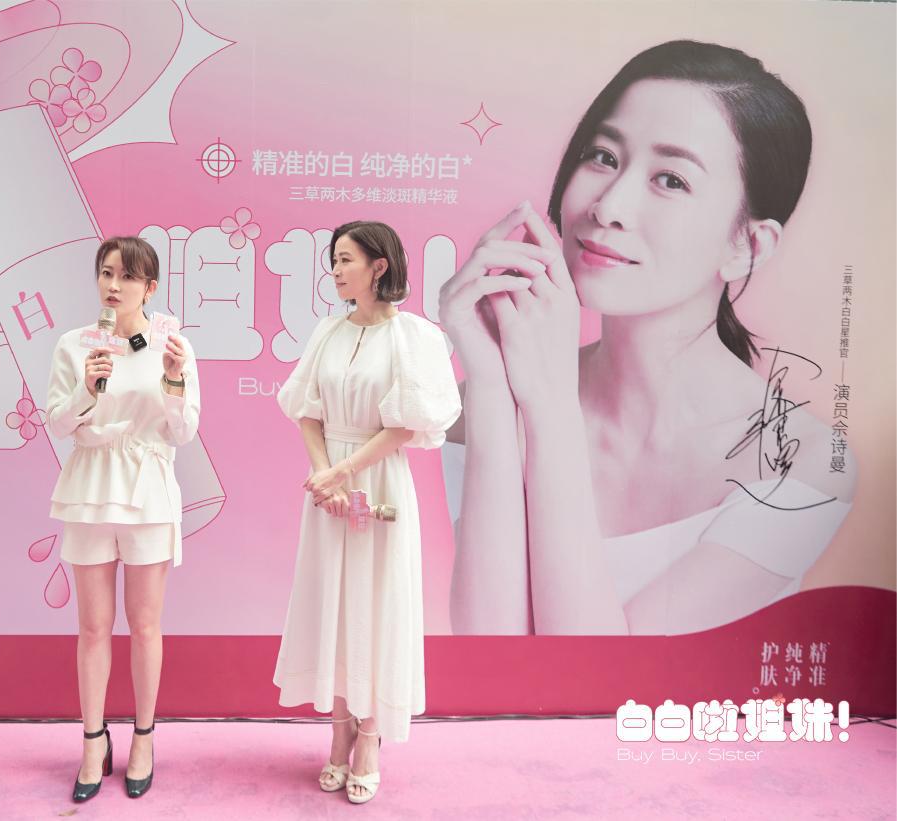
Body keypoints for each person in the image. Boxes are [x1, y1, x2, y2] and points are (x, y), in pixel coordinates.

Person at [442, 40, 854, 636]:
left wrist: (550, 409)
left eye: (670, 179)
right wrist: (487, 379)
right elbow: (489, 655)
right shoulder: (482, 406)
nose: (609, 206)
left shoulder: (801, 462)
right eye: (603, 156)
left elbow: (598, 677)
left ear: (748, 245)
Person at [273, 221, 460, 803]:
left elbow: (406, 425)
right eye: (333, 260)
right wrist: (323, 472)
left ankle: (370, 736)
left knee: (378, 602)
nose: (335, 270)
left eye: (346, 259)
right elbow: (306, 408)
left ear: (380, 266)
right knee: (333, 600)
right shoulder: (327, 331)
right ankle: (338, 732)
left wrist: (343, 471)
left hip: (378, 481)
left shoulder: (414, 336)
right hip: (327, 487)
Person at [44, 236, 200, 802]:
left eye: (128, 277)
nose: (114, 285)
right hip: (90, 488)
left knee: (145, 625)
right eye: (106, 273)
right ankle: (93, 741)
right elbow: (58, 422)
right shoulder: (74, 344)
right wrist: (86, 388)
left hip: (148, 490)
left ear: (149, 288)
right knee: (92, 626)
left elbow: (184, 431)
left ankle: (143, 738)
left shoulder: (172, 344)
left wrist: (174, 377)